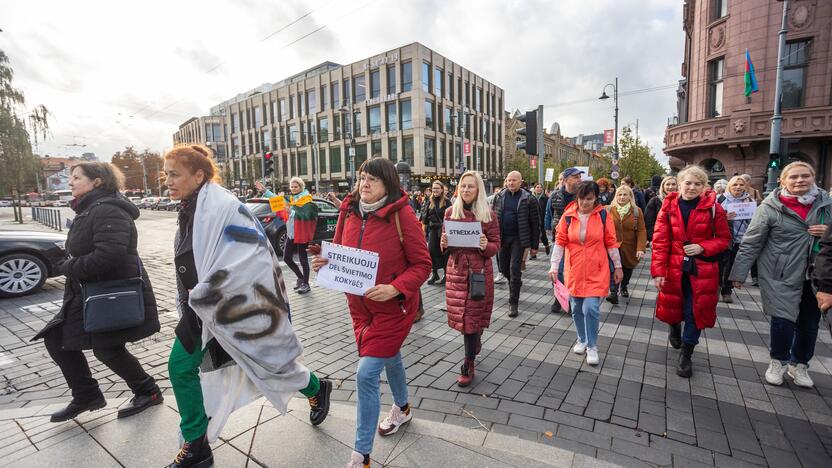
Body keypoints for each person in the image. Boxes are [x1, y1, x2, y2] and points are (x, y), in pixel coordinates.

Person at [163, 146, 331, 468]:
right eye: (166, 174)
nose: (167, 181)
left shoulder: (222, 206)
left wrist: (211, 292)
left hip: (229, 306)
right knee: (181, 367)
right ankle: (197, 444)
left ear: (198, 175)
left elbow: (252, 255)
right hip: (202, 309)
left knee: (270, 363)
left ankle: (316, 387)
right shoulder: (190, 207)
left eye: (174, 174)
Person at [311, 158, 431, 468]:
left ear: (387, 184)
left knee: (365, 374)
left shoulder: (402, 214)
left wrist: (394, 288)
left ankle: (361, 456)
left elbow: (423, 265)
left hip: (395, 308)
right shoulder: (348, 210)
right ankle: (403, 410)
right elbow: (340, 250)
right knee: (391, 357)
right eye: (363, 177)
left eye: (372, 179)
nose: (365, 184)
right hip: (360, 309)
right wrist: (326, 262)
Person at [34, 162, 162, 423]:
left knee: (107, 349)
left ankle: (147, 391)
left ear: (97, 181)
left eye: (76, 177)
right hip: (86, 292)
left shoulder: (107, 210)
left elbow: (109, 255)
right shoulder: (91, 208)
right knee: (57, 338)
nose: (70, 182)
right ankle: (87, 395)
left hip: (107, 293)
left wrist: (69, 266)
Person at [730, 162, 831, 388]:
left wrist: (829, 233)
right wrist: (739, 272)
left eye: (805, 176)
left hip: (818, 275)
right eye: (793, 177)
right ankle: (778, 361)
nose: (800, 180)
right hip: (780, 273)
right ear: (783, 181)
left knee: (809, 323)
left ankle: (799, 364)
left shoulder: (827, 205)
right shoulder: (770, 207)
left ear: (814, 178)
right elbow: (751, 242)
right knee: (782, 321)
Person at [651, 165, 730, 378]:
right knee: (673, 306)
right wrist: (658, 272)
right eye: (688, 183)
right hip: (674, 267)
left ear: (705, 186)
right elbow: (660, 241)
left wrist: (704, 247)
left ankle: (687, 353)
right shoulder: (668, 206)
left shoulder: (714, 208)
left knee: (695, 311)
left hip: (701, 269)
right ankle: (674, 327)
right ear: (679, 184)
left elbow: (724, 239)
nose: (692, 187)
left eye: (698, 183)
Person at [548, 181, 622, 366]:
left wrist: (618, 266)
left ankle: (592, 346)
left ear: (596, 198)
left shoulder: (604, 215)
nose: (585, 203)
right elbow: (559, 243)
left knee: (591, 308)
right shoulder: (568, 216)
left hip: (597, 270)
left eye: (589, 199)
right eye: (582, 198)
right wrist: (554, 267)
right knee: (576, 308)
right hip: (573, 269)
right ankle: (581, 339)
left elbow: (611, 243)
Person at [441, 171, 499, 386]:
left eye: (470, 186)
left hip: (478, 274)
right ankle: (474, 344)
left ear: (478, 190)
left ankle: (468, 362)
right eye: (463, 186)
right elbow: (443, 245)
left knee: (472, 319)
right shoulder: (450, 212)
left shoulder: (489, 215)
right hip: (456, 272)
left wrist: (486, 246)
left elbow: (495, 245)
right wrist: (444, 242)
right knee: (466, 321)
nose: (466, 190)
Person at [256, 177, 318, 294]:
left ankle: (306, 284)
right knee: (287, 258)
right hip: (291, 233)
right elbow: (277, 199)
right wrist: (265, 191)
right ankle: (301, 278)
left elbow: (308, 214)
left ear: (301, 187)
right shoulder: (291, 199)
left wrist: (292, 212)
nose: (294, 189)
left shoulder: (307, 200)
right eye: (292, 187)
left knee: (303, 258)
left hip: (301, 233)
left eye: (296, 187)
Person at [491, 171, 540, 317]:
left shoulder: (529, 198)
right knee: (503, 268)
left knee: (514, 269)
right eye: (508, 180)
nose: (510, 183)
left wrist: (534, 245)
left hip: (519, 239)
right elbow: (493, 218)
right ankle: (515, 282)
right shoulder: (499, 196)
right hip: (502, 238)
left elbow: (535, 223)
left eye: (514, 180)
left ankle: (513, 303)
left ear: (521, 182)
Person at [544, 167, 583, 313]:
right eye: (575, 177)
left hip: (577, 239)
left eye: (580, 176)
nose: (579, 179)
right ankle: (558, 298)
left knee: (574, 271)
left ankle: (572, 299)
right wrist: (548, 229)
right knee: (558, 270)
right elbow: (549, 213)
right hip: (559, 238)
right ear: (566, 180)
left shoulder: (583, 195)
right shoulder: (555, 195)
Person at [717, 176, 755, 303]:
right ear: (729, 186)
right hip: (723, 238)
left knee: (732, 266)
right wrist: (724, 217)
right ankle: (716, 287)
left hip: (741, 239)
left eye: (741, 184)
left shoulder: (750, 200)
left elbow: (754, 222)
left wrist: (750, 211)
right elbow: (711, 218)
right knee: (720, 265)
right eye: (735, 184)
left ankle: (727, 291)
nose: (738, 187)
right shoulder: (720, 199)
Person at [606, 184, 646, 304]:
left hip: (630, 247)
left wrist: (640, 248)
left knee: (627, 269)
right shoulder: (607, 209)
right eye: (619, 194)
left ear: (630, 197)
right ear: (615, 196)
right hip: (613, 246)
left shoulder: (636, 211)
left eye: (625, 195)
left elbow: (641, 230)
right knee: (613, 268)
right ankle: (614, 292)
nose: (622, 197)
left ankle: (624, 285)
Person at [421, 180, 451, 284]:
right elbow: (425, 217)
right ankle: (435, 274)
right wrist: (423, 231)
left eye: (437, 188)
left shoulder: (447, 201)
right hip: (433, 230)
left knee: (444, 253)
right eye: (433, 188)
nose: (435, 190)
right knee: (432, 251)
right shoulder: (429, 201)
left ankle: (446, 274)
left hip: (443, 231)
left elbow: (450, 217)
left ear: (442, 189)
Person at [645, 176, 677, 242]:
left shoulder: (682, 200)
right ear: (663, 186)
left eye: (673, 184)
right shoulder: (655, 201)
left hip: (677, 240)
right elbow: (649, 222)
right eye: (667, 184)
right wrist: (651, 239)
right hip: (660, 239)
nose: (670, 187)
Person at [531, 183, 551, 257]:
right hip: (534, 219)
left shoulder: (545, 198)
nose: (539, 188)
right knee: (534, 235)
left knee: (543, 235)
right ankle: (533, 253)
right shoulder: (531, 197)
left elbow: (548, 210)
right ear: (534, 188)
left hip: (542, 219)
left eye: (540, 187)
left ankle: (546, 246)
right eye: (537, 187)